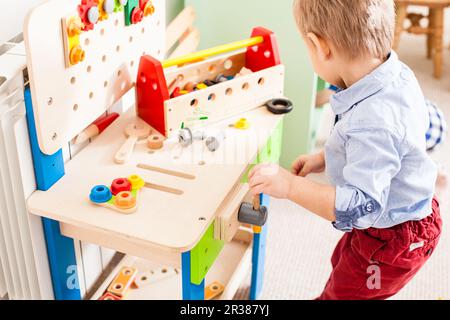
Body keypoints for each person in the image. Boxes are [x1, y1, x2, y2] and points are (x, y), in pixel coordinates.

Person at [248, 0, 442, 300]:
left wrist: (289, 186)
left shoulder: (373, 122)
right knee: (344, 265)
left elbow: (358, 207)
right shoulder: (394, 73)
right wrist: (327, 158)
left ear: (320, 46)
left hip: (391, 238)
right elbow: (389, 149)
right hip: (394, 217)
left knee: (346, 293)